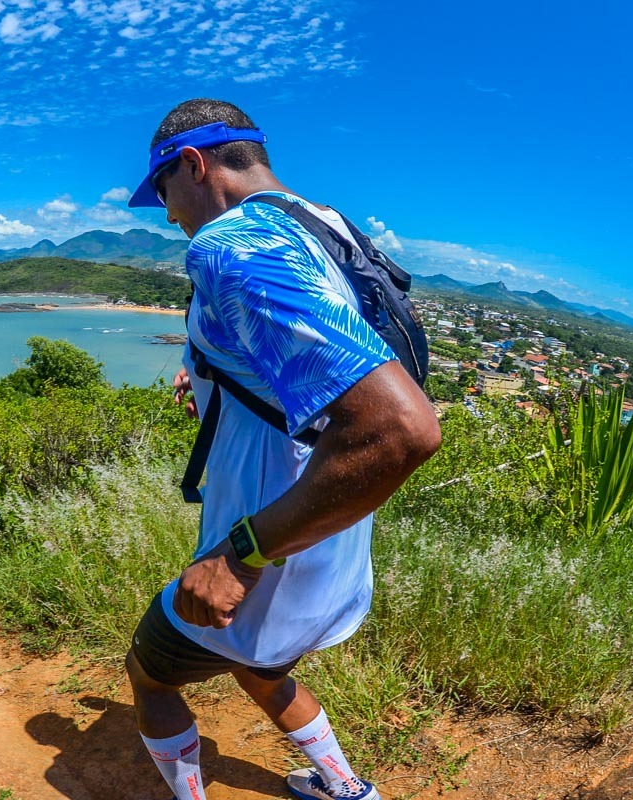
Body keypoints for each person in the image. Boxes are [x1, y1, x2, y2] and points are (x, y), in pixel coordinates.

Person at [123, 99, 441, 800]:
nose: (169, 214)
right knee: (259, 667)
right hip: (329, 535)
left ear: (193, 165)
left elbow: (400, 427)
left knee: (148, 674)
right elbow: (331, 362)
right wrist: (209, 372)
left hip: (268, 542)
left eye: (165, 194)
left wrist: (238, 557)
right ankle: (343, 787)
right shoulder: (321, 224)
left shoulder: (231, 243)